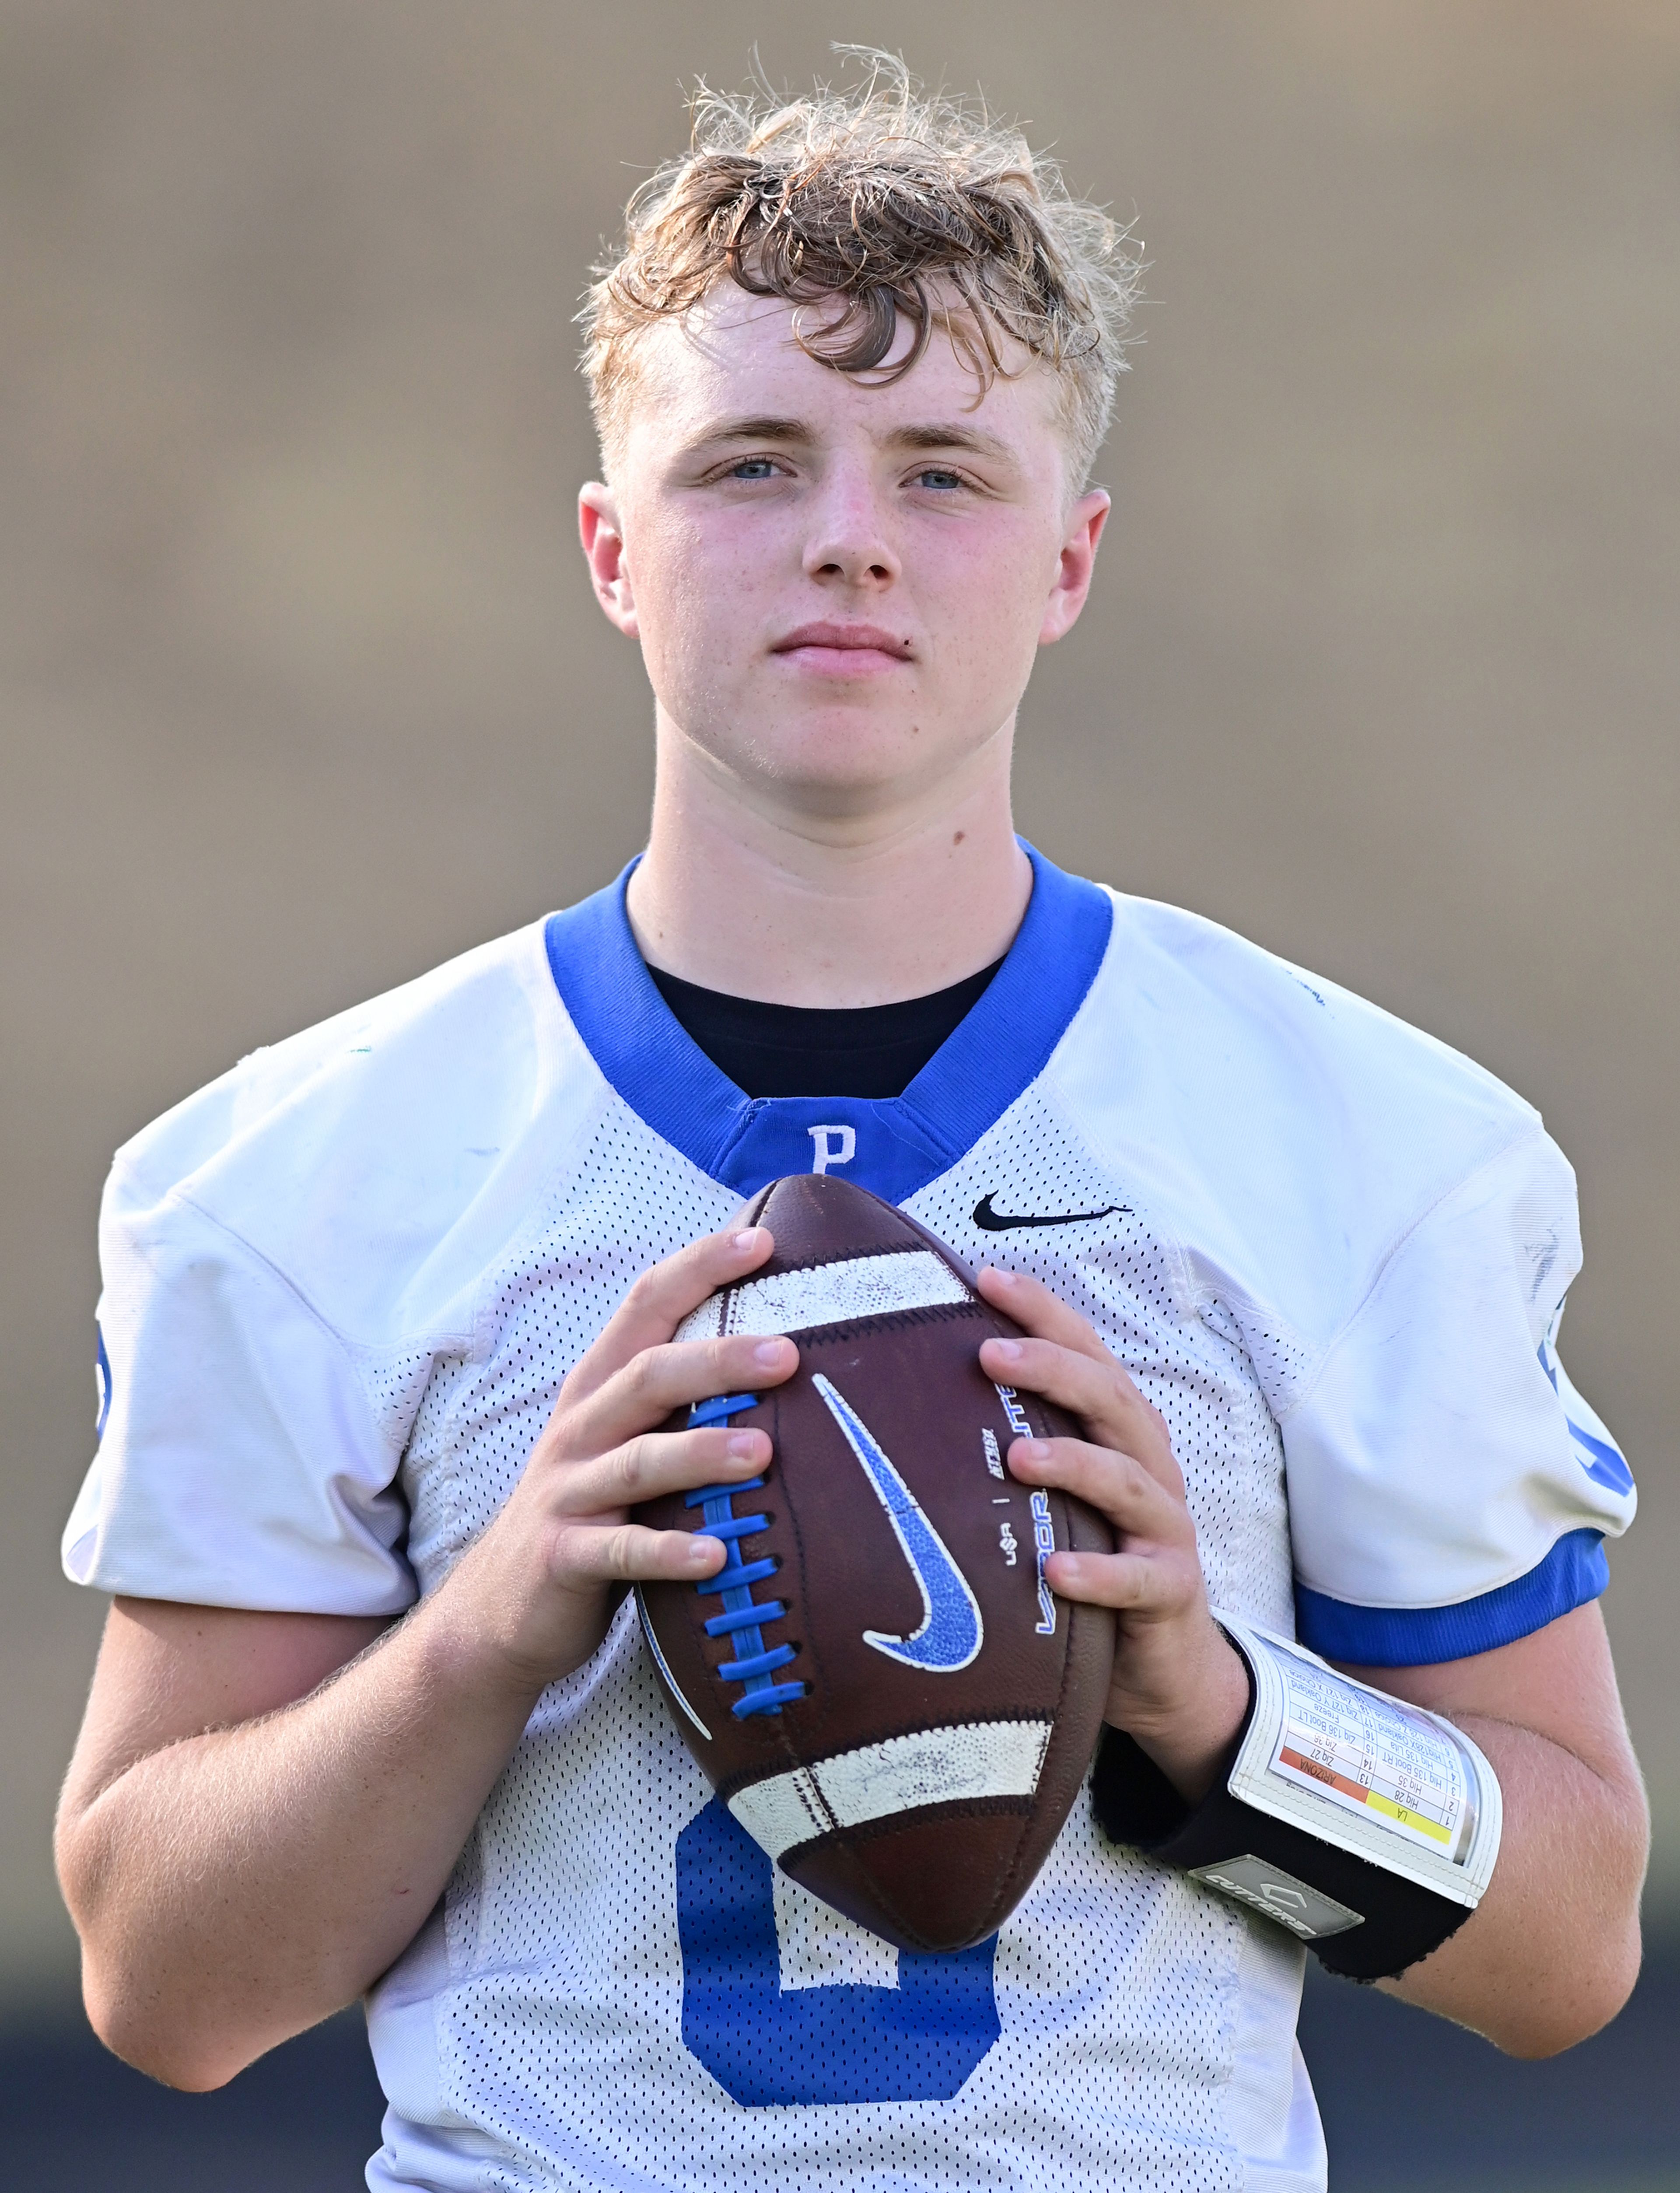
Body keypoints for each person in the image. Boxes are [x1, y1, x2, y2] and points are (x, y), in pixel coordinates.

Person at [54, 55, 1646, 2193]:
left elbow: (1565, 1949)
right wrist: (492, 1623)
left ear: (1072, 559)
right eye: (750, 460)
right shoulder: (293, 1179)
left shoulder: (1367, 1143)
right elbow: (166, 1986)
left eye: (943, 475)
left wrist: (1215, 1695)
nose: (844, 539)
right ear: (613, 549)